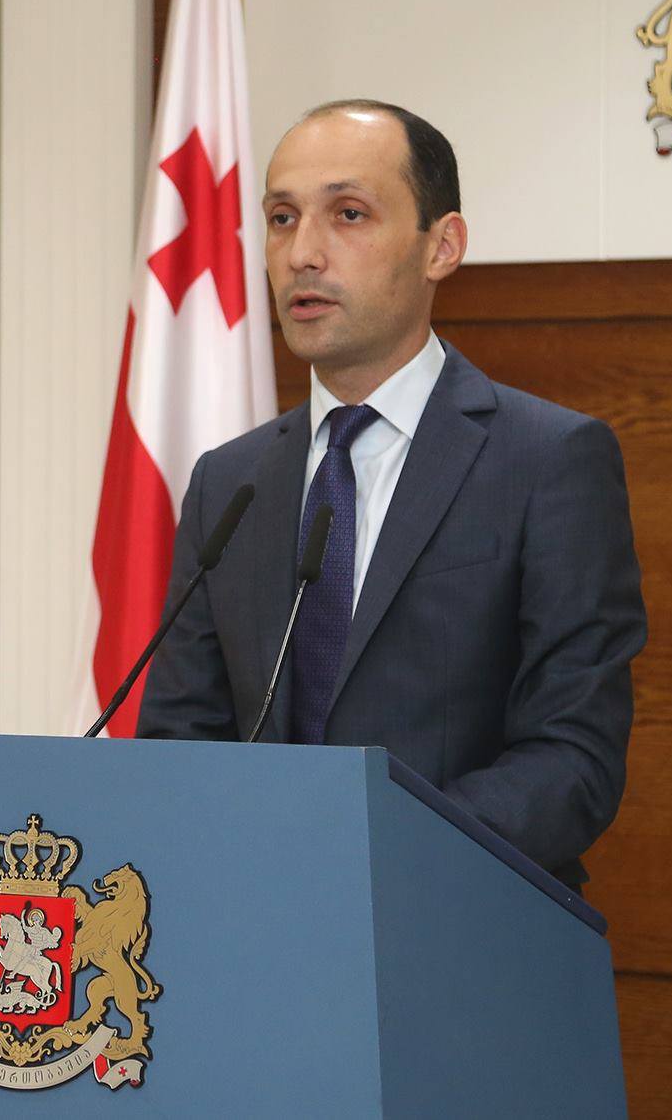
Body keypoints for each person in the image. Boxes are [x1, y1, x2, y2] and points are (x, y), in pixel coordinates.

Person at [133, 100, 645, 889]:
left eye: (348, 214)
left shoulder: (549, 461)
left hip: (453, 923)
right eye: (280, 218)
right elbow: (179, 739)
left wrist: (362, 849)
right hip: (257, 921)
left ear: (443, 245)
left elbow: (573, 760)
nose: (303, 254)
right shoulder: (228, 483)